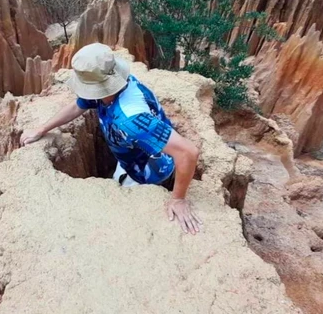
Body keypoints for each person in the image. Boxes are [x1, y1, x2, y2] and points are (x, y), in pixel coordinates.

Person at [20, 43, 204, 234]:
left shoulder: (130, 120)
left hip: (151, 172)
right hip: (130, 156)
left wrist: (178, 199)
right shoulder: (113, 87)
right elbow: (77, 106)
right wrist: (41, 129)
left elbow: (188, 152)